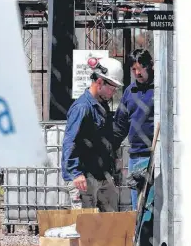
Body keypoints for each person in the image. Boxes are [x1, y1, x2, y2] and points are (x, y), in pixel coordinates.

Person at [61, 57, 124, 212]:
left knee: (110, 224)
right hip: (84, 176)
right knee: (85, 227)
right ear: (100, 82)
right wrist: (76, 174)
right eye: (112, 87)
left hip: (102, 174)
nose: (114, 92)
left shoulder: (101, 107)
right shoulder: (82, 108)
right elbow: (70, 141)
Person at [113, 48, 154, 210]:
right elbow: (120, 126)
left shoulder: (159, 90)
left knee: (151, 204)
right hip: (135, 156)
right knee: (137, 205)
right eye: (133, 69)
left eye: (140, 68)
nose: (137, 73)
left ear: (149, 66)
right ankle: (138, 234)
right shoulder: (130, 92)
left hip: (154, 155)